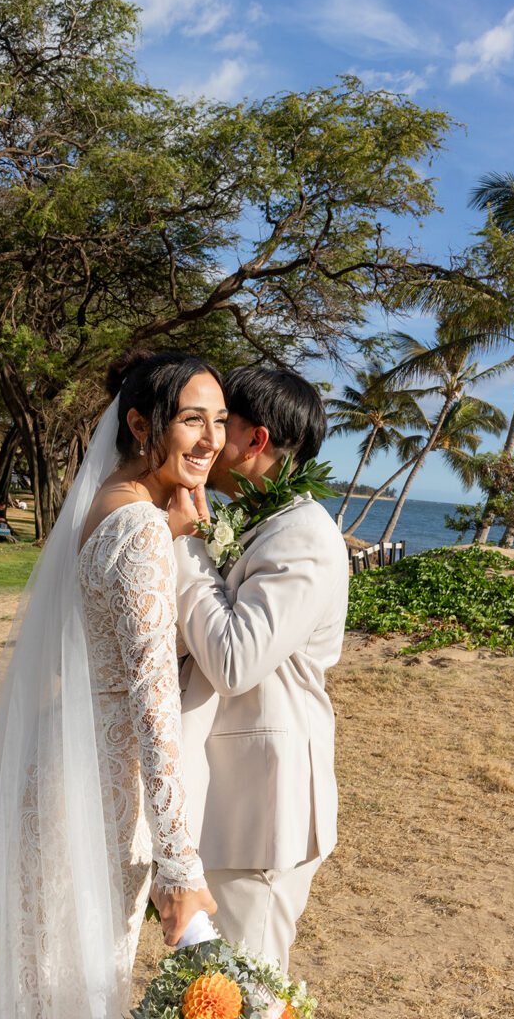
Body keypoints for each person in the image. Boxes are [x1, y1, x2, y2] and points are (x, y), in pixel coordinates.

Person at [0, 349, 223, 1018]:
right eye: (192, 421)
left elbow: (79, 642)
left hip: (58, 763)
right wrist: (181, 868)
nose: (210, 440)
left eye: (218, 421)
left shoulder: (108, 503)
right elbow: (154, 702)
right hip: (100, 794)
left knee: (36, 975)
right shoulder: (139, 526)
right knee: (71, 987)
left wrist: (167, 529)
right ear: (141, 425)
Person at [167, 366, 349, 970]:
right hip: (232, 792)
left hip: (265, 805)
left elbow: (235, 660)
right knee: (210, 986)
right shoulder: (265, 524)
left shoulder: (303, 538)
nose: (210, 438)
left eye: (223, 422)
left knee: (249, 989)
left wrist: (189, 545)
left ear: (256, 441)